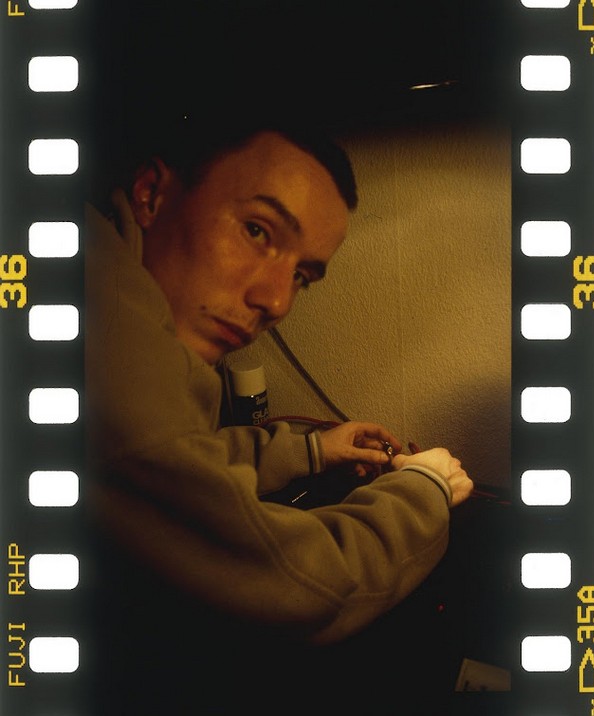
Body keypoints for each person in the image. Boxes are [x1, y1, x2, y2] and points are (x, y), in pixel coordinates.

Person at [85, 119, 474, 713]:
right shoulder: (103, 326)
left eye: (301, 276)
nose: (274, 300)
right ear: (151, 193)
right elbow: (296, 587)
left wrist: (311, 449)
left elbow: (168, 454)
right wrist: (425, 487)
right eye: (257, 230)